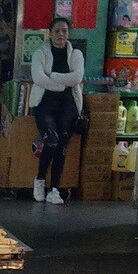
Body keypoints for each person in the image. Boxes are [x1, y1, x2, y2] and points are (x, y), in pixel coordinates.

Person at [29, 16, 84, 205]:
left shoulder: (76, 54)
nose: (61, 34)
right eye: (57, 31)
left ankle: (55, 190)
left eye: (64, 31)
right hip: (45, 105)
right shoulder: (40, 53)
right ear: (50, 33)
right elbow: (38, 78)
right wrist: (62, 82)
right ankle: (39, 180)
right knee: (50, 141)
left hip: (68, 106)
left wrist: (52, 75)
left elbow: (76, 78)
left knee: (62, 146)